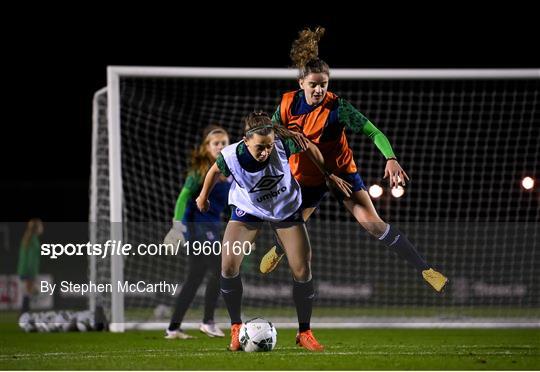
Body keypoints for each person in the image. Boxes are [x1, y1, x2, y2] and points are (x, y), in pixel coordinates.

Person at [259, 26, 448, 293]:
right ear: (301, 83)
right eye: (313, 84)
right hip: (306, 177)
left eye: (323, 85)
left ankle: (426, 270)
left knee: (374, 225)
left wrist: (390, 158)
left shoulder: (338, 107)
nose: (318, 90)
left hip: (342, 175)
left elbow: (373, 131)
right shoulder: (287, 104)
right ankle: (279, 248)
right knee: (291, 227)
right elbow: (272, 130)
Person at [195, 112, 351, 352]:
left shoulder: (282, 144)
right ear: (246, 142)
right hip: (249, 210)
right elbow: (214, 171)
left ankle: (304, 332)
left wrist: (327, 173)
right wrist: (203, 196)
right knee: (228, 265)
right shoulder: (231, 156)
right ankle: (236, 328)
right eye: (260, 147)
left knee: (302, 268)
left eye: (268, 145)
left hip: (285, 209)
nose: (265, 151)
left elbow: (309, 145)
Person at [163, 124, 231, 339]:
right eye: (215, 144)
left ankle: (173, 328)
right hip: (197, 229)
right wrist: (177, 226)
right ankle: (208, 322)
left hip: (212, 228)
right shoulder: (200, 171)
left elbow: (228, 202)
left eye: (223, 143)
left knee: (194, 279)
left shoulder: (228, 170)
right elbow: (184, 198)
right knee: (221, 270)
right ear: (206, 147)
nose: (220, 147)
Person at [17, 218, 43, 313]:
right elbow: (31, 260)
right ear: (36, 228)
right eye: (40, 226)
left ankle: (24, 315)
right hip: (28, 272)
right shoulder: (33, 241)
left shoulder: (27, 238)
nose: (42, 228)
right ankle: (24, 316)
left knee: (26, 295)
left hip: (23, 270)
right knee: (28, 294)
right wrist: (31, 275)